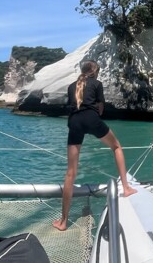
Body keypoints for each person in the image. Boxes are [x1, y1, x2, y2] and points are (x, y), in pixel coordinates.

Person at [53, 60, 136, 232]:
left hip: (74, 122)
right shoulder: (97, 84)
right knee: (116, 147)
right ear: (95, 71)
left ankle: (63, 221)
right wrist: (97, 115)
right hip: (91, 118)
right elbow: (100, 107)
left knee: (70, 173)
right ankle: (126, 188)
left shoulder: (71, 86)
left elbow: (72, 106)